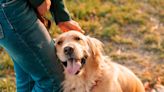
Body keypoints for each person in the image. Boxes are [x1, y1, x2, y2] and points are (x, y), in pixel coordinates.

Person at [0, 0, 83, 92]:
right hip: (9, 9)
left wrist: (61, 15)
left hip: (11, 7)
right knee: (53, 82)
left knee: (29, 79)